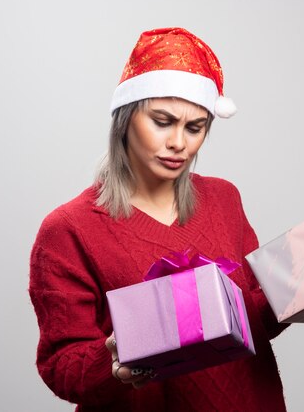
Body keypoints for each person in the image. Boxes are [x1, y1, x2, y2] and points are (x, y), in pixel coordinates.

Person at [29, 27, 289, 412]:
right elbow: (62, 366)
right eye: (162, 121)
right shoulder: (69, 229)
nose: (179, 143)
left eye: (195, 127)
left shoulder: (223, 199)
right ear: (126, 118)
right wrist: (116, 363)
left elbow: (250, 320)